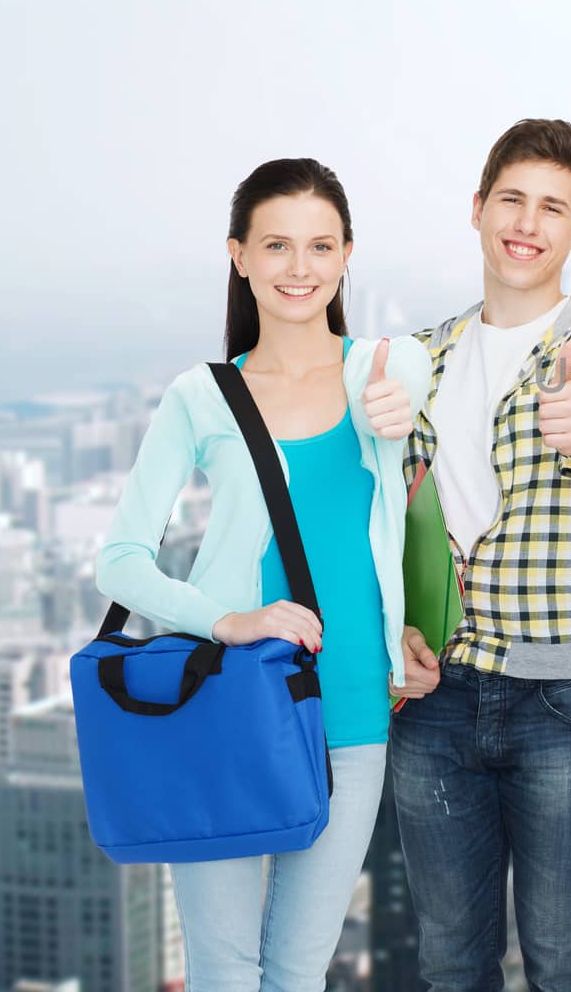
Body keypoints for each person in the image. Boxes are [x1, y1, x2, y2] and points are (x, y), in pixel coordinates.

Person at [96, 157, 434, 992]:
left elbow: (414, 387)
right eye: (277, 245)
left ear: (348, 254)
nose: (299, 267)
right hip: (229, 703)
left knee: (295, 972)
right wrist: (228, 620)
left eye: (321, 245)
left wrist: (399, 407)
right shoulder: (200, 396)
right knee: (224, 971)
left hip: (354, 708)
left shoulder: (385, 371)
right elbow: (120, 560)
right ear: (238, 255)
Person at [389, 118, 571, 992]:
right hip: (435, 697)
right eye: (512, 199)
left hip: (559, 700)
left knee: (565, 964)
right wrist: (396, 633)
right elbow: (390, 516)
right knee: (450, 964)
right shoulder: (423, 356)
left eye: (554, 208)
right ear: (477, 209)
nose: (528, 222)